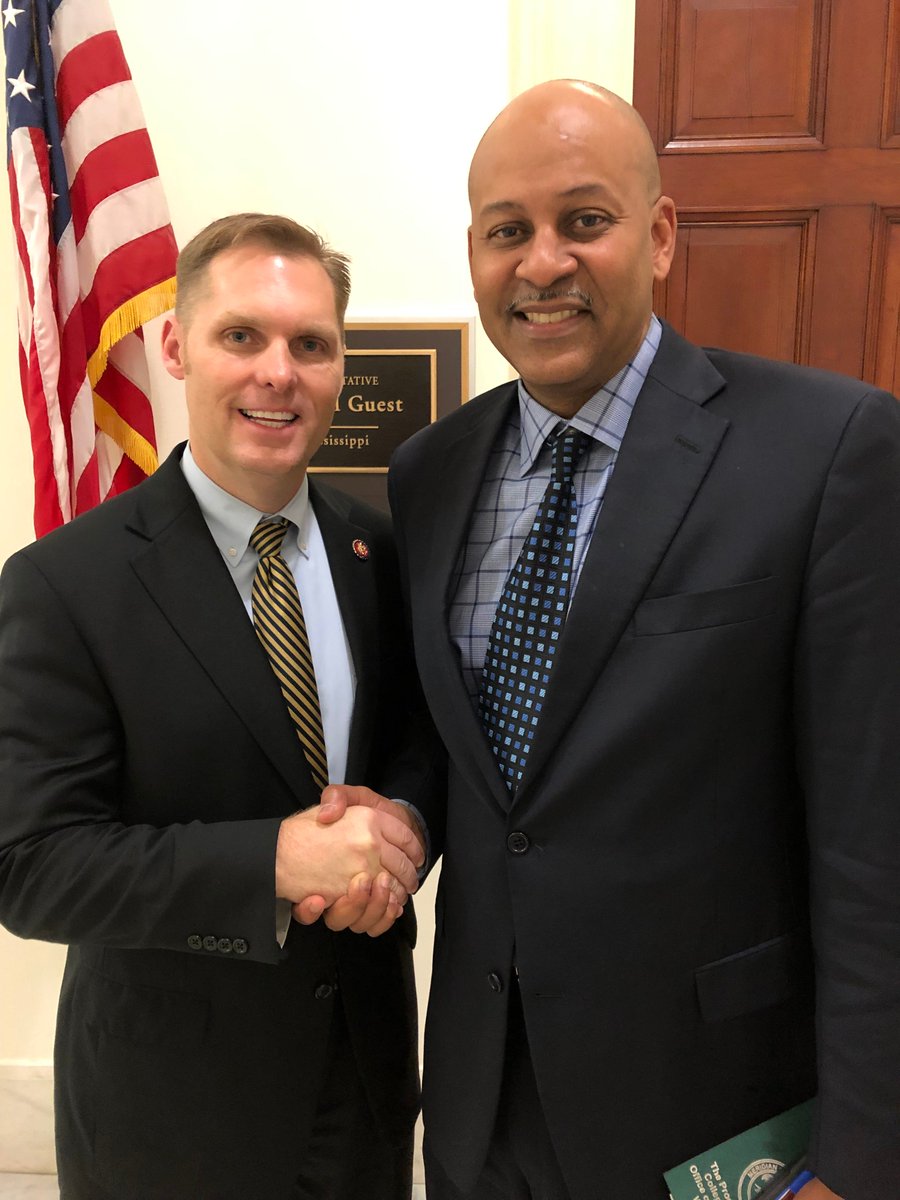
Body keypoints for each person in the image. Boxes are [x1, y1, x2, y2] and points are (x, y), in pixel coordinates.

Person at [385, 81, 900, 1200]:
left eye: (584, 220)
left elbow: (874, 842)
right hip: (481, 1103)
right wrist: (389, 820)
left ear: (659, 235)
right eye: (507, 231)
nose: (543, 264)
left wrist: (863, 1161)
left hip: (716, 1112)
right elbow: (464, 757)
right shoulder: (429, 473)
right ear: (473, 254)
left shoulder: (829, 449)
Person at [0, 213, 439, 1199]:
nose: (278, 372)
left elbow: (418, 750)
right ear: (175, 347)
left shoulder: (380, 552)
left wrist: (404, 825)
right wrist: (272, 862)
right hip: (168, 1111)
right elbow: (29, 865)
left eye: (311, 345)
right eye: (241, 335)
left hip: (365, 1082)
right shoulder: (65, 584)